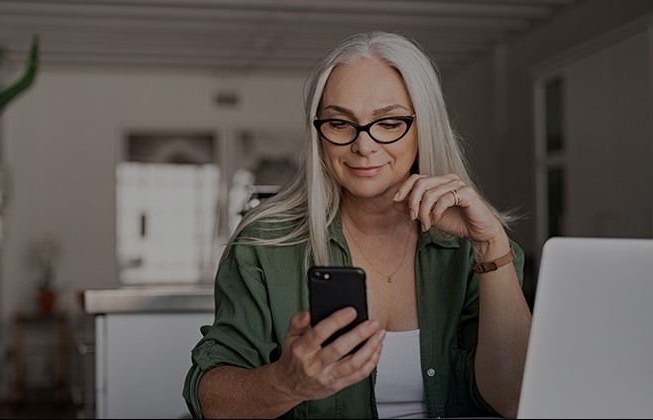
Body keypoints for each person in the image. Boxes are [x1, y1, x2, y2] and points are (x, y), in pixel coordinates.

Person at [182, 30, 532, 419]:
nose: (363, 146)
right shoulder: (265, 244)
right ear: (318, 134)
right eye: (339, 123)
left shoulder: (477, 247)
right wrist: (286, 382)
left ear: (424, 126)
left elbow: (515, 399)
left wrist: (491, 249)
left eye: (388, 122)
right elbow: (210, 401)